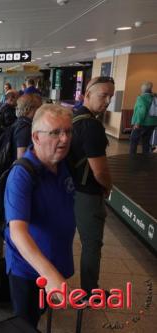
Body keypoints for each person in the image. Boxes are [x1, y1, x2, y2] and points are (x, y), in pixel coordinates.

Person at [4, 104, 76, 328]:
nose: (64, 139)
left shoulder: (61, 164)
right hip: (27, 269)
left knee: (39, 313)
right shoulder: (22, 174)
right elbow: (18, 232)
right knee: (26, 322)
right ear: (35, 137)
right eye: (55, 133)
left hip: (54, 260)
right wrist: (50, 276)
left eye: (68, 131)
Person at [70, 76, 114, 297]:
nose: (106, 101)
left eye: (110, 97)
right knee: (91, 243)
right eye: (103, 95)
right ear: (87, 94)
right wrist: (108, 186)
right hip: (87, 192)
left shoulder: (73, 117)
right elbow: (100, 171)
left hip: (69, 188)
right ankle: (90, 292)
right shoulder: (92, 127)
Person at [130, 81, 157, 155]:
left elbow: (142, 111)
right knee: (146, 142)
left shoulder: (141, 98)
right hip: (152, 123)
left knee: (134, 140)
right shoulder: (154, 97)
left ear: (143, 89)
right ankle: (145, 159)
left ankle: (132, 158)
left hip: (142, 123)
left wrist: (138, 122)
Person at [14, 94, 43, 159]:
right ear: (29, 109)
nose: (41, 110)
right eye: (39, 107)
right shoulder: (24, 128)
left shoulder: (19, 121)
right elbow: (21, 158)